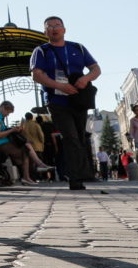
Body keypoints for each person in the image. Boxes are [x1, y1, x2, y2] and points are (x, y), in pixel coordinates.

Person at [30, 16, 100, 191]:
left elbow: (96, 69)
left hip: (78, 99)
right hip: (57, 100)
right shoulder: (41, 51)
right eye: (50, 27)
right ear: (45, 32)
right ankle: (76, 179)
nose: (54, 29)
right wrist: (59, 86)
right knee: (70, 137)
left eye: (57, 25)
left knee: (79, 137)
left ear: (64, 29)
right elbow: (36, 74)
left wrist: (85, 79)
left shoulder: (78, 48)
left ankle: (84, 173)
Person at [0, 101, 36, 186]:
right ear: (2, 108)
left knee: (24, 151)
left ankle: (26, 177)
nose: (7, 115)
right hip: (0, 143)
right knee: (25, 152)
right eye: (7, 112)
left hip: (3, 142)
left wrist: (13, 129)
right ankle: (26, 177)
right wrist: (12, 130)